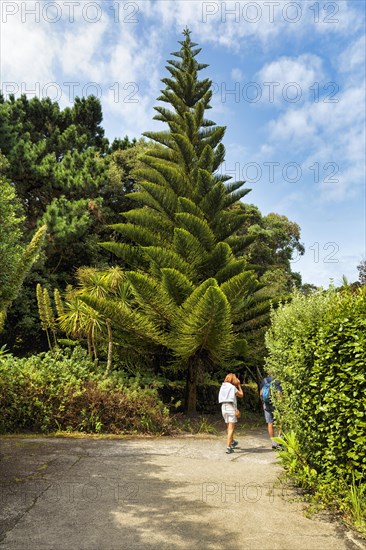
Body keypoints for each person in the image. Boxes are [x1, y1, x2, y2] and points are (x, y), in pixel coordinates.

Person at [218, 373, 243, 454]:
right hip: (231, 407)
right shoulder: (232, 388)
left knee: (228, 427)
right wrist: (239, 385)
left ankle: (232, 442)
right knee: (231, 428)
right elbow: (241, 395)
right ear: (233, 379)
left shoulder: (222, 386)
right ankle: (228, 447)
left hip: (223, 407)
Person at [260, 375, 282, 450]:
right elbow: (279, 394)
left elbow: (261, 394)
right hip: (275, 404)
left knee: (270, 422)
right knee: (280, 422)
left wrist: (263, 403)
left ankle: (273, 443)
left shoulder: (264, 381)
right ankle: (279, 442)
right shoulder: (277, 381)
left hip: (266, 404)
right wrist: (281, 404)